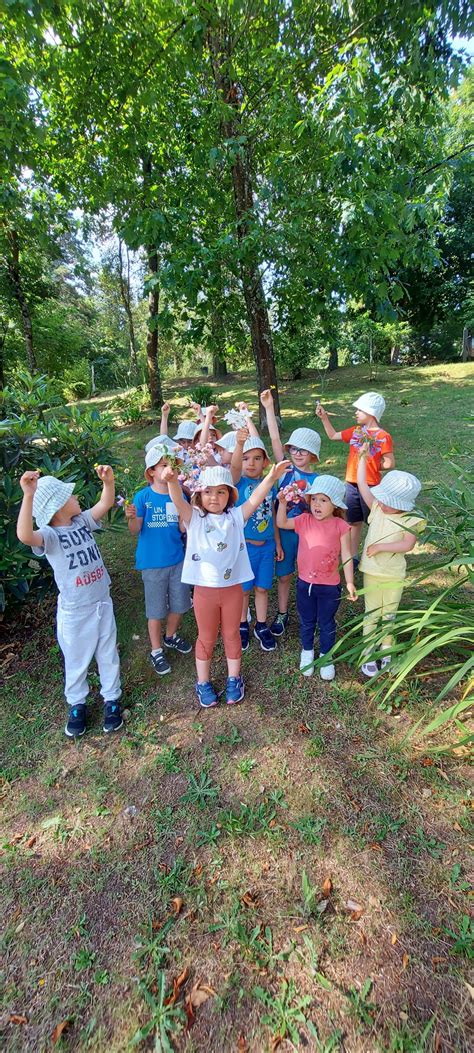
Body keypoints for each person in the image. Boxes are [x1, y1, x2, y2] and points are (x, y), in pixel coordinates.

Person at [163, 460, 291, 708]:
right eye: (208, 491)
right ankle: (203, 682)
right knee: (207, 637)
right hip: (204, 592)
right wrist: (171, 481)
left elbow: (254, 499)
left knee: (232, 634)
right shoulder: (194, 518)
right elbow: (178, 500)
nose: (214, 497)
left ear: (230, 495)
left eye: (221, 491)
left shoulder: (235, 517)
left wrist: (271, 477)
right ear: (199, 495)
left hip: (233, 590)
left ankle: (234, 679)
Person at [16, 468, 123, 738]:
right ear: (57, 506)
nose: (76, 496)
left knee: (107, 653)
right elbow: (25, 536)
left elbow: (105, 503)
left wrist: (108, 483)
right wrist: (28, 495)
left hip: (102, 602)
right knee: (76, 660)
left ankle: (112, 699)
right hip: (75, 612)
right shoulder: (49, 535)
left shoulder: (82, 522)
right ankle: (77, 703)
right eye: (69, 495)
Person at [277, 475, 357, 679]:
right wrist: (282, 503)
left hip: (329, 586)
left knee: (327, 622)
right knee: (307, 620)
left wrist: (349, 581)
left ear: (335, 504)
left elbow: (347, 554)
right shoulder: (303, 520)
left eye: (324, 500)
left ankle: (326, 656)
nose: (317, 504)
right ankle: (307, 652)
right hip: (305, 584)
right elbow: (282, 522)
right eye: (314, 499)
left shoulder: (340, 525)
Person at [125, 445, 192, 676]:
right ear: (151, 472)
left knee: (180, 604)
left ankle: (170, 636)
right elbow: (135, 530)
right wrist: (131, 518)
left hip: (177, 560)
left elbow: (183, 528)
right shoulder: (143, 496)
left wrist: (189, 513)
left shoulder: (180, 494)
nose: (168, 470)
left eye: (171, 465)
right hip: (152, 563)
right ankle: (156, 650)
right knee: (155, 610)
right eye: (164, 465)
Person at [356, 449, 424, 677]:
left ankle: (386, 651)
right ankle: (368, 652)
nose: (382, 503)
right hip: (372, 571)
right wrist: (363, 460)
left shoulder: (410, 519)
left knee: (389, 614)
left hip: (393, 574)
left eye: (388, 501)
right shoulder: (377, 508)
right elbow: (363, 487)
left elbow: (408, 545)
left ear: (403, 505)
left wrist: (380, 547)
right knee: (372, 613)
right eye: (382, 499)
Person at [260, 388, 321, 637]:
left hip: (307, 534)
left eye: (303, 450)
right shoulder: (284, 471)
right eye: (293, 448)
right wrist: (268, 408)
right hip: (284, 532)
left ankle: (311, 614)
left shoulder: (318, 479)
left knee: (309, 576)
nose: (296, 453)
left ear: (313, 455)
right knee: (284, 576)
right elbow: (275, 441)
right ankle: (283, 614)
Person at [316, 392, 394, 566]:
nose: (356, 412)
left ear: (371, 412)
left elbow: (389, 463)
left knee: (374, 521)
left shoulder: (383, 436)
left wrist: (371, 464)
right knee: (353, 522)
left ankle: (376, 554)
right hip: (351, 484)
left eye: (360, 409)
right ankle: (352, 557)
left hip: (371, 486)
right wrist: (324, 418)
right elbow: (332, 435)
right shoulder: (356, 431)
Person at [230, 429, 283, 652]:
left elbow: (271, 512)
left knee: (262, 588)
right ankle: (242, 624)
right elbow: (233, 468)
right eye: (245, 458)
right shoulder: (236, 483)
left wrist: (278, 543)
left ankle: (260, 625)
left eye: (257, 458)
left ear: (265, 463)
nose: (250, 463)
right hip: (245, 547)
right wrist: (239, 445)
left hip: (267, 545)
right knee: (243, 590)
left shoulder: (270, 484)